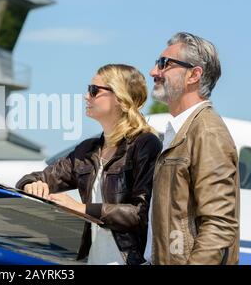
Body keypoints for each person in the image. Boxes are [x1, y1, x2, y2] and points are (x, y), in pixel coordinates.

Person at [16, 64, 162, 265]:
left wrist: (83, 208)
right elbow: (37, 177)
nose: (87, 96)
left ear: (119, 97)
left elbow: (141, 213)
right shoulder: (87, 150)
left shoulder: (146, 144)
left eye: (94, 90)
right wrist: (31, 184)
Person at [147, 32, 240, 265]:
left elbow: (219, 225)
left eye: (163, 64)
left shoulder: (207, 133)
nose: (153, 72)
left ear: (194, 75)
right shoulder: (177, 131)